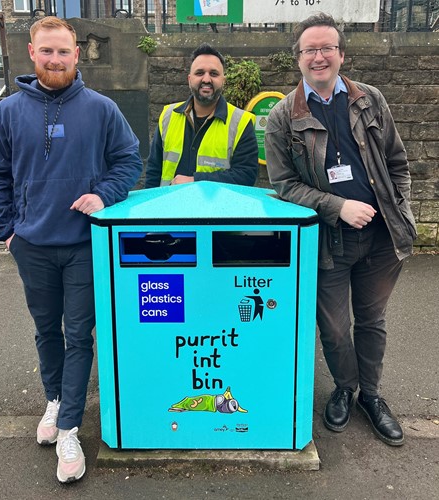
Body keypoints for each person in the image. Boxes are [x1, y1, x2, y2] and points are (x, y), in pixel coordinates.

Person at [0, 17, 142, 482]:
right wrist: (7, 231)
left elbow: (129, 160)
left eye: (64, 52)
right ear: (32, 52)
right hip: (31, 244)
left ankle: (69, 425)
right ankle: (54, 399)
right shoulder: (9, 112)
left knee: (79, 334)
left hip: (82, 245)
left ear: (77, 54)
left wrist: (104, 195)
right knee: (46, 329)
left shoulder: (102, 109)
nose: (55, 60)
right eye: (47, 51)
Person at [265, 13, 416, 446]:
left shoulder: (370, 99)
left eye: (326, 47)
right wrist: (338, 207)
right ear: (297, 58)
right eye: (309, 49)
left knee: (372, 319)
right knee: (332, 327)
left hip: (382, 238)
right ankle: (344, 388)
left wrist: (400, 211)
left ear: (341, 54)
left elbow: (398, 162)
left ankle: (371, 396)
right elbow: (284, 185)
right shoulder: (282, 117)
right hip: (328, 240)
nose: (319, 56)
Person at [145, 42, 259, 188]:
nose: (206, 79)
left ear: (223, 81)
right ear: (189, 79)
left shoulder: (241, 123)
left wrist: (195, 180)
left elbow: (246, 176)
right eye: (199, 73)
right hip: (171, 208)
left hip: (217, 210)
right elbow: (153, 172)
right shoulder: (168, 116)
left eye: (214, 73)